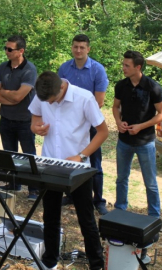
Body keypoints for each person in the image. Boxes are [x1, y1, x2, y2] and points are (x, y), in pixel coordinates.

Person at [29, 71, 107, 270]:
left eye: (53, 100)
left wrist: (81, 155)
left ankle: (96, 264)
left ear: (62, 88)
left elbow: (103, 131)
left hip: (77, 167)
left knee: (86, 218)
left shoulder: (84, 98)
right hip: (49, 164)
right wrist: (36, 127)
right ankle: (50, 261)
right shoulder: (43, 93)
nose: (50, 104)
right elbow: (35, 117)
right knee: (50, 216)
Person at [58, 34, 109, 215]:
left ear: (88, 49)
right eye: (75, 47)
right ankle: (71, 194)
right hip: (70, 125)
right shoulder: (64, 68)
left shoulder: (97, 70)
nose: (78, 50)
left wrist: (83, 118)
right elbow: (58, 96)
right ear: (71, 48)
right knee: (70, 159)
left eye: (82, 47)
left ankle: (98, 200)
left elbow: (99, 101)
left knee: (94, 163)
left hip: (92, 124)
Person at [112, 50, 162, 219]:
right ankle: (120, 210)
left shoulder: (153, 87)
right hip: (124, 141)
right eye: (123, 64)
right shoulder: (121, 85)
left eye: (127, 65)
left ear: (138, 67)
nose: (123, 68)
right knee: (121, 178)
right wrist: (118, 121)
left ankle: (154, 216)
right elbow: (115, 107)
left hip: (145, 142)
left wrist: (141, 126)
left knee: (150, 183)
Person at [0, 35, 38, 200]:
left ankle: (33, 189)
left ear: (21, 51)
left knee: (28, 155)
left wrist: (2, 92)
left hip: (25, 120)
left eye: (10, 49)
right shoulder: (3, 67)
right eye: (6, 48)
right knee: (9, 154)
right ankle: (13, 182)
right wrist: (8, 98)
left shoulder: (29, 70)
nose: (6, 52)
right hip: (6, 118)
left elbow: (18, 96)